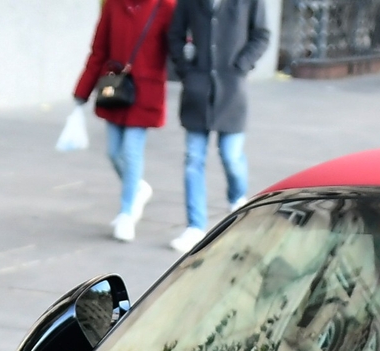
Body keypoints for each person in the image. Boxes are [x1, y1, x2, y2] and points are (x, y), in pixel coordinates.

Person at [166, 0, 269, 252]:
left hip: (231, 90)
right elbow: (175, 34)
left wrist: (241, 65)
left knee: (231, 155)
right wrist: (185, 69)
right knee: (193, 158)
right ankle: (195, 226)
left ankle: (237, 200)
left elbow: (261, 34)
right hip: (197, 90)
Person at [77, 0, 176, 244]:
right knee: (113, 152)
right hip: (116, 90)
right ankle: (138, 189)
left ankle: (127, 214)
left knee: (131, 151)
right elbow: (99, 49)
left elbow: (177, 46)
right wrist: (82, 91)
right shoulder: (113, 5)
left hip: (145, 91)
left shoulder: (166, 6)